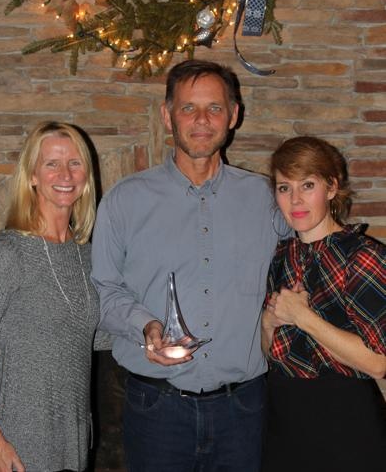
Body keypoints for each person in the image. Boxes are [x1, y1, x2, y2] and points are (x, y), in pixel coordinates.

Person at [91, 59, 289, 472]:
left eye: (214, 108)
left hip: (244, 409)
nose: (202, 120)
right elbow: (105, 290)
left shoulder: (269, 199)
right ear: (167, 115)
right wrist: (146, 326)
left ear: (233, 115)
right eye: (188, 108)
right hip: (156, 409)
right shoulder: (124, 201)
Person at [261, 136, 386, 472]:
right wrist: (268, 324)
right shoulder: (281, 257)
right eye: (284, 188)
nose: (295, 200)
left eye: (308, 185)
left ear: (332, 188)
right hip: (283, 419)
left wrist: (303, 317)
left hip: (344, 422)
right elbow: (270, 352)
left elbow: (377, 363)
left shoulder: (363, 256)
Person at [0, 121, 100, 471]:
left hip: (75, 440)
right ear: (33, 176)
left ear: (86, 175)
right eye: (51, 163)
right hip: (20, 445)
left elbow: (89, 333)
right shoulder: (9, 253)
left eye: (75, 162)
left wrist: (150, 335)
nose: (65, 173)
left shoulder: (87, 255)